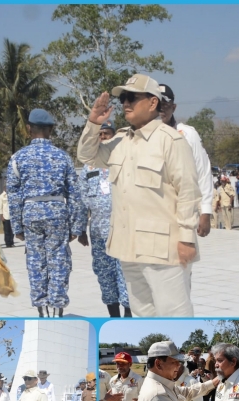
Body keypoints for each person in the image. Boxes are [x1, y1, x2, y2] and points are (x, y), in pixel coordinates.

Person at [77, 76, 201, 317]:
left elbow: (188, 192)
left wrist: (187, 238)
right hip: (128, 246)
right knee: (142, 313)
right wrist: (93, 122)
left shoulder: (171, 141)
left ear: (153, 102)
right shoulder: (120, 140)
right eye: (123, 98)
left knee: (174, 313)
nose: (125, 103)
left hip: (163, 248)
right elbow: (87, 156)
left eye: (132, 97)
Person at [7, 108, 82, 318]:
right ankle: (57, 308)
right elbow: (74, 193)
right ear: (50, 130)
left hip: (31, 213)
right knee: (58, 259)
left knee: (35, 260)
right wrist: (76, 226)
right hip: (57, 213)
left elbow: (12, 194)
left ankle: (41, 308)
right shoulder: (63, 157)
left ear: (29, 128)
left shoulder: (17, 158)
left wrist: (17, 226)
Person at [76, 121, 131, 318]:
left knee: (125, 275)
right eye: (99, 135)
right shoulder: (87, 167)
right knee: (104, 275)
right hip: (99, 231)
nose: (103, 138)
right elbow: (80, 198)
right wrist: (80, 228)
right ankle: (113, 316)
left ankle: (128, 316)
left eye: (106, 134)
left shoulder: (123, 161)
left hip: (123, 231)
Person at [158, 84, 214, 237]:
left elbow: (203, 171)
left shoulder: (187, 134)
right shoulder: (140, 135)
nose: (161, 109)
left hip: (182, 213)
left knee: (182, 257)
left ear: (173, 107)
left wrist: (206, 211)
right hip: (153, 212)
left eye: (165, 105)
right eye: (157, 104)